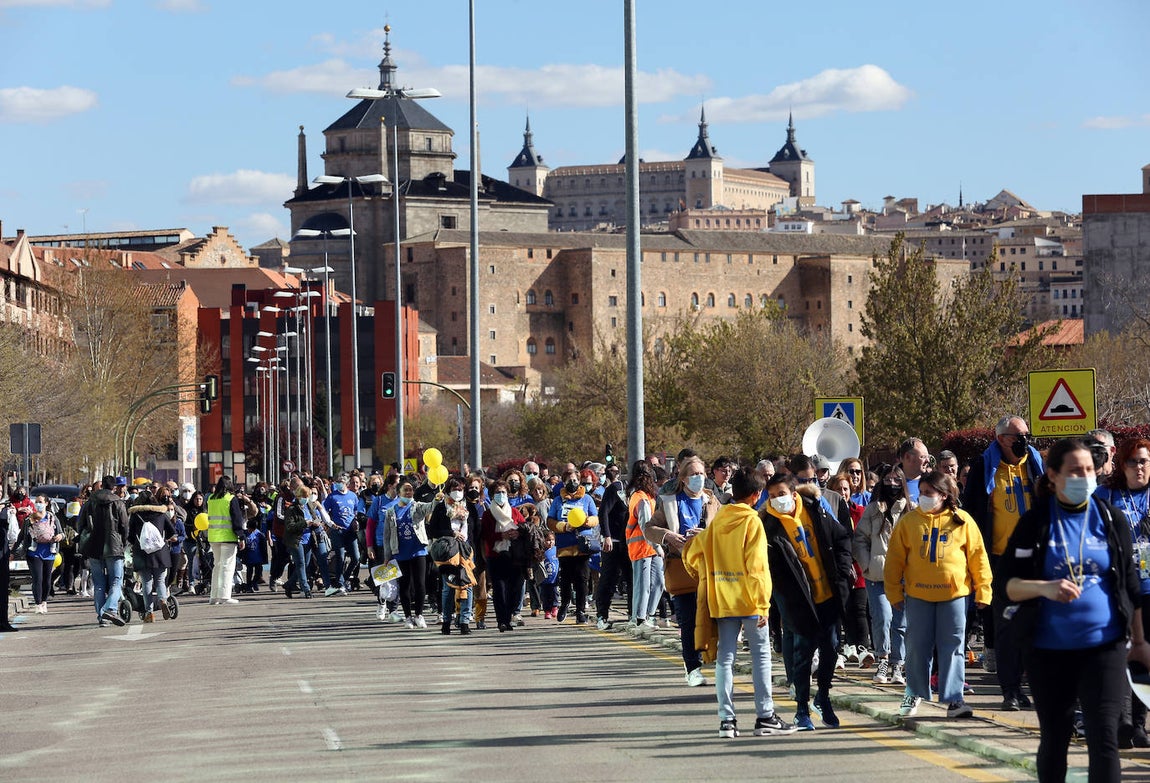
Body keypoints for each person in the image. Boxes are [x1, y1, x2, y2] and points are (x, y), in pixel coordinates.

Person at [997, 437, 1150, 783]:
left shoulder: (1110, 519)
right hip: (1048, 651)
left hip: (1104, 647)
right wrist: (1045, 588)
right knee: (1056, 737)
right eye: (1075, 470)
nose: (1085, 476)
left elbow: (1130, 584)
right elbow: (1007, 586)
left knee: (1105, 737)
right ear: (1053, 475)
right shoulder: (1035, 523)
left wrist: (1139, 642)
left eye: (1089, 469)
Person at [683, 467, 797, 739]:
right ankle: (765, 715)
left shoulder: (719, 520)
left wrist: (707, 576)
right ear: (757, 495)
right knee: (761, 658)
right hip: (750, 601)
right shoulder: (752, 522)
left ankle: (727, 721)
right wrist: (763, 604)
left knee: (725, 660)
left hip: (722, 600)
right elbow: (757, 567)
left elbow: (691, 554)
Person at [884, 470, 991, 719]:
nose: (922, 497)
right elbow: (894, 561)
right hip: (918, 595)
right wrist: (893, 592)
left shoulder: (962, 520)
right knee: (917, 647)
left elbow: (978, 557)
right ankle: (914, 692)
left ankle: (955, 699)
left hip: (954, 596)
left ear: (943, 495)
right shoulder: (909, 522)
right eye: (921, 493)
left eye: (928, 493)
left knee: (953, 647)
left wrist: (983, 589)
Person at [962, 414, 1044, 710]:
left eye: (1026, 434)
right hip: (999, 560)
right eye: (1018, 435)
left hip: (1035, 558)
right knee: (1006, 626)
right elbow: (972, 513)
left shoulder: (1035, 464)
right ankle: (1009, 690)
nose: (1024, 440)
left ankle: (1030, 687)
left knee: (1036, 624)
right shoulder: (985, 466)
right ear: (1001, 439)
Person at [761, 472, 854, 730]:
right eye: (771, 496)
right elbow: (770, 568)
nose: (777, 500)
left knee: (831, 648)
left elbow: (842, 538)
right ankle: (802, 709)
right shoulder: (768, 527)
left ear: (793, 494)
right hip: (798, 599)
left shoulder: (815, 509)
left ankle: (823, 695)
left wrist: (843, 570)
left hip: (828, 594)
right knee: (803, 653)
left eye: (781, 494)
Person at [645, 456, 723, 687]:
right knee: (688, 621)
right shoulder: (671, 501)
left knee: (714, 620)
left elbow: (723, 529)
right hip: (681, 569)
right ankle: (692, 667)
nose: (699, 479)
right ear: (683, 479)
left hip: (709, 570)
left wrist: (706, 534)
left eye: (702, 474)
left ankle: (716, 661)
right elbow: (649, 529)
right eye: (694, 475)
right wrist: (668, 536)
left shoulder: (712, 500)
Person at [1094, 436, 1150, 747]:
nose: (1139, 467)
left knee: (1144, 657)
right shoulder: (1106, 495)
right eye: (1133, 461)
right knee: (1122, 657)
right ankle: (1123, 721)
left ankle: (1138, 723)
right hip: (1117, 589)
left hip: (1149, 588)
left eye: (1144, 461)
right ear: (1122, 465)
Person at [853, 465, 911, 685]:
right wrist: (866, 565)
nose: (893, 484)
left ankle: (898, 664)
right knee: (882, 618)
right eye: (888, 480)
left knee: (901, 622)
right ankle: (883, 659)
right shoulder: (872, 510)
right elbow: (859, 539)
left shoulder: (911, 510)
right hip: (876, 576)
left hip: (904, 577)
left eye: (897, 480)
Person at [828, 473, 873, 668]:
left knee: (860, 610)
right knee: (841, 610)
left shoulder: (860, 511)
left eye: (846, 489)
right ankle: (842, 650)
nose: (843, 493)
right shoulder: (828, 513)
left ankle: (862, 649)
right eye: (839, 489)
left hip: (859, 567)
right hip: (839, 568)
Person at [546, 466, 600, 625]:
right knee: (565, 579)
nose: (573, 483)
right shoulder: (557, 501)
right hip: (564, 546)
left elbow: (595, 518)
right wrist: (563, 526)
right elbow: (550, 521)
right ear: (564, 482)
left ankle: (581, 611)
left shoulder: (587, 499)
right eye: (570, 481)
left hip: (582, 545)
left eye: (576, 480)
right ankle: (564, 603)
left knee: (582, 579)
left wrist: (585, 522)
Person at [77, 475, 131, 627]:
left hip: (94, 545)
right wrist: (123, 543)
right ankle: (109, 609)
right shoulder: (118, 502)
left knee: (99, 583)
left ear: (101, 486)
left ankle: (102, 617)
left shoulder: (90, 502)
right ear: (114, 487)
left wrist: (83, 539)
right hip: (114, 545)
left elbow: (80, 524)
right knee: (116, 580)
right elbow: (125, 526)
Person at [427, 476, 478, 634]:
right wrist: (452, 533)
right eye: (455, 489)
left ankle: (464, 621)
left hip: (465, 550)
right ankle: (446, 622)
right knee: (448, 587)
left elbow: (475, 528)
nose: (458, 492)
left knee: (467, 585)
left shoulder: (468, 506)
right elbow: (433, 529)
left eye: (461, 489)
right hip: (448, 551)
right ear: (448, 490)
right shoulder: (441, 507)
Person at [382, 479, 430, 628]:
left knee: (420, 584)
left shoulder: (417, 507)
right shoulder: (391, 511)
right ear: (399, 492)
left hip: (418, 551)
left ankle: (419, 615)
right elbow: (387, 536)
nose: (408, 493)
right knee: (405, 585)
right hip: (401, 552)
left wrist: (437, 499)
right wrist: (387, 556)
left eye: (410, 490)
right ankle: (408, 616)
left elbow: (430, 507)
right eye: (405, 490)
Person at [481, 479, 526, 632]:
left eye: (503, 492)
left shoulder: (514, 512)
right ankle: (502, 620)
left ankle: (510, 615)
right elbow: (485, 535)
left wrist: (517, 532)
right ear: (492, 495)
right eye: (497, 493)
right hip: (495, 555)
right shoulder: (488, 514)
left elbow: (525, 527)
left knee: (514, 588)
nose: (501, 495)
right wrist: (501, 535)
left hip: (513, 555)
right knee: (499, 589)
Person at [127, 488, 177, 623]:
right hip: (160, 553)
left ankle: (149, 613)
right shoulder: (161, 514)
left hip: (142, 554)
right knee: (160, 580)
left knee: (146, 583)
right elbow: (172, 532)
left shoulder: (135, 516)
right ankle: (162, 599)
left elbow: (130, 537)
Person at [625, 461, 663, 628]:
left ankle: (648, 615)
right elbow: (645, 525)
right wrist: (657, 546)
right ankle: (640, 618)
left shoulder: (646, 497)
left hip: (649, 547)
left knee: (658, 582)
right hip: (642, 547)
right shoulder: (640, 498)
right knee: (643, 585)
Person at [595, 463, 631, 630]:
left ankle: (633, 615)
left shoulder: (638, 493)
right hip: (614, 542)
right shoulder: (615, 489)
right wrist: (607, 535)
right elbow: (603, 512)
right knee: (609, 578)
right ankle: (602, 615)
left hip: (630, 543)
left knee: (631, 580)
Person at [206, 477, 246, 606]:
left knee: (217, 566)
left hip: (213, 537)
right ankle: (225, 596)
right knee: (227, 567)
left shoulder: (211, 499)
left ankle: (214, 596)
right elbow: (236, 519)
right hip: (228, 537)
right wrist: (241, 536)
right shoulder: (230, 499)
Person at [19, 496, 64, 614]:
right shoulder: (30, 518)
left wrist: (60, 537)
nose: (38, 504)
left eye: (41, 502)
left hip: (49, 553)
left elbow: (61, 533)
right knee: (37, 579)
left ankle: (44, 601)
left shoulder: (52, 517)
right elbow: (21, 536)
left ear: (46, 503)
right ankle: (38, 603)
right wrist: (13, 552)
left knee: (47, 580)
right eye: (36, 502)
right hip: (34, 553)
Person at [322, 474, 362, 596]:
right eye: (336, 482)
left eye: (340, 482)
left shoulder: (353, 496)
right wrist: (329, 523)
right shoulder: (332, 497)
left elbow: (356, 511)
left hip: (350, 531)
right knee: (340, 556)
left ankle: (343, 579)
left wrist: (356, 521)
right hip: (337, 531)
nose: (338, 484)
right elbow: (324, 510)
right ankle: (339, 584)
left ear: (346, 483)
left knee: (356, 558)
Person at [898, 438, 929, 503]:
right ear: (907, 457)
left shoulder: (933, 483)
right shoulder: (890, 484)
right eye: (923, 457)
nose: (927, 461)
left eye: (928, 457)